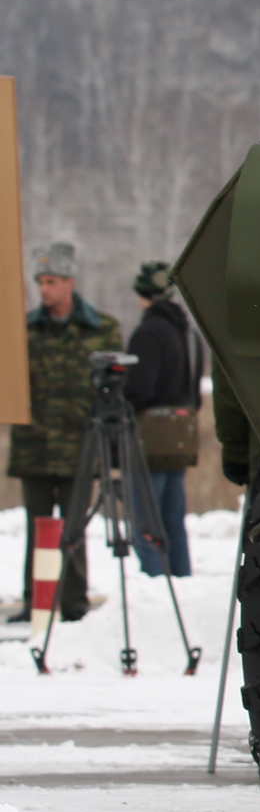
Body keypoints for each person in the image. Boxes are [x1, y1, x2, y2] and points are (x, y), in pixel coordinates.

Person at [8, 242, 122, 621]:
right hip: (34, 447)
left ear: (70, 281)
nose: (44, 289)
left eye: (52, 281)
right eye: (40, 281)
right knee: (37, 527)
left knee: (74, 529)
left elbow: (117, 388)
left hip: (79, 447)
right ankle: (35, 602)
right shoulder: (23, 331)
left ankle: (73, 604)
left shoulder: (101, 330)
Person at [123, 261, 200, 579]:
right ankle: (181, 581)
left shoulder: (148, 332)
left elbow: (140, 387)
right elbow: (194, 389)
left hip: (150, 437)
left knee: (146, 520)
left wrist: (121, 400)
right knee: (172, 518)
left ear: (143, 295)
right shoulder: (190, 333)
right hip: (182, 433)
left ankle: (155, 584)